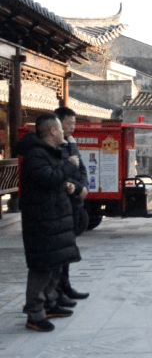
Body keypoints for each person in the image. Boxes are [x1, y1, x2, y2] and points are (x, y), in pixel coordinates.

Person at [15, 113, 81, 332]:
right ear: (53, 132)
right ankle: (34, 313)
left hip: (55, 218)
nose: (65, 132)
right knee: (41, 268)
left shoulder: (50, 153)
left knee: (55, 264)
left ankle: (51, 303)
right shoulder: (36, 155)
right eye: (62, 128)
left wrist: (68, 185)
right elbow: (48, 178)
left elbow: (55, 180)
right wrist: (70, 166)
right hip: (42, 221)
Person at [54, 107, 89, 305]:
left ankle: (65, 286)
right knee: (61, 250)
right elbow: (62, 174)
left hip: (75, 201)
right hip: (64, 202)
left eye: (74, 123)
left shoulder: (71, 143)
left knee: (68, 248)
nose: (72, 127)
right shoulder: (57, 147)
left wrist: (82, 186)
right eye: (69, 123)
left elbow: (80, 169)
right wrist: (76, 188)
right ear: (57, 124)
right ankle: (58, 291)